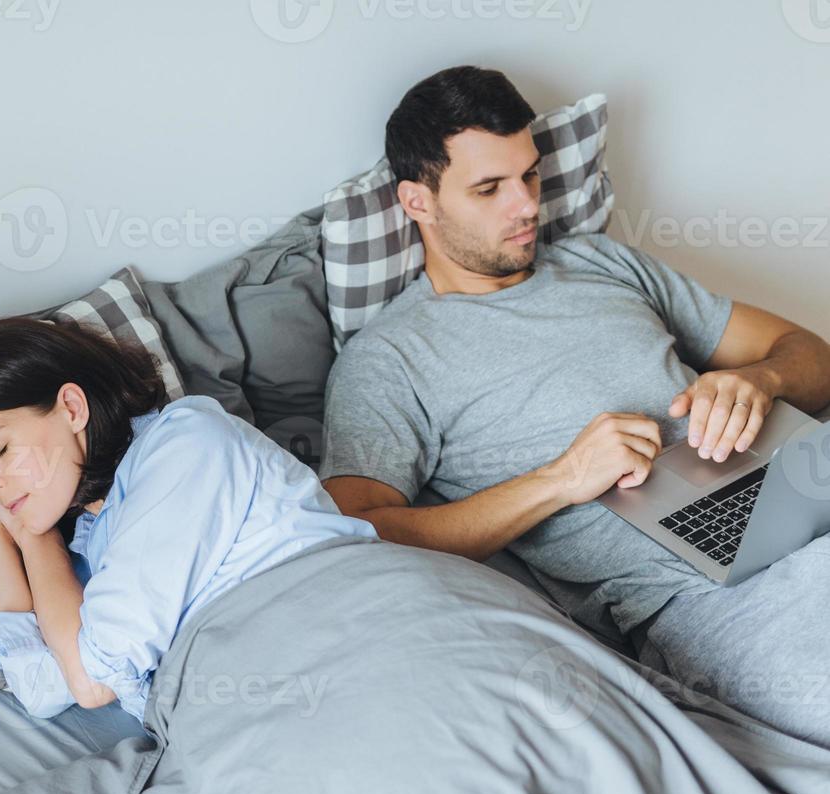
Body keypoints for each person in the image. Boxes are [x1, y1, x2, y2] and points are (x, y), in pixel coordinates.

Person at [320, 66, 830, 745]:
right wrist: (560, 479)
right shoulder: (390, 358)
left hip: (800, 491)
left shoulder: (599, 262)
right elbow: (355, 530)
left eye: (529, 176)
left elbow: (811, 356)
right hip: (716, 598)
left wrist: (759, 381)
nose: (527, 205)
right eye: (489, 188)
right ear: (419, 201)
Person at [0, 317, 378, 722]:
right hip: (269, 713)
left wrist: (32, 534)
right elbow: (43, 688)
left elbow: (94, 681)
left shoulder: (187, 444)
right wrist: (3, 525)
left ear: (72, 408)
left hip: (353, 645)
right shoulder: (87, 542)